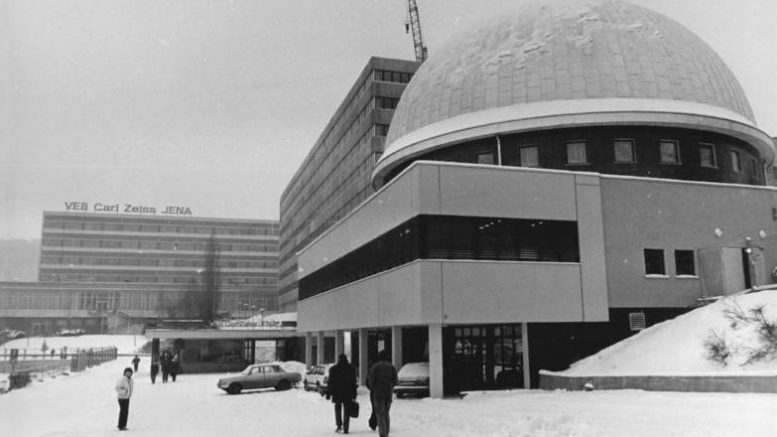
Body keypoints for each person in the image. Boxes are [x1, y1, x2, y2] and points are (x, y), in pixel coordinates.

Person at [368, 350, 397, 437]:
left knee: (380, 413)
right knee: (386, 412)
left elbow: (371, 381)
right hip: (388, 392)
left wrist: (372, 388)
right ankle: (386, 431)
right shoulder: (391, 367)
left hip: (377, 393)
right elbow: (395, 380)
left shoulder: (375, 367)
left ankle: (383, 433)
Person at [326, 354, 357, 434]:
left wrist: (328, 393)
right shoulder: (351, 369)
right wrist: (354, 393)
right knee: (347, 409)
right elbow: (353, 382)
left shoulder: (334, 369)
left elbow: (331, 382)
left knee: (338, 408)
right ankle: (346, 427)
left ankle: (339, 425)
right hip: (348, 392)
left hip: (337, 392)